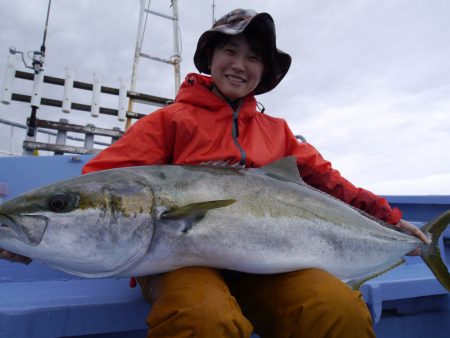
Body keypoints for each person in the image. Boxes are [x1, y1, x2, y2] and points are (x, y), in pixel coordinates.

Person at [1, 8, 428, 338]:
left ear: (265, 73)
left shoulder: (279, 134)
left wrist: (392, 222)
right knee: (200, 318)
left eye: (254, 58)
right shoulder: (170, 122)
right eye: (230, 51)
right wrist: (33, 239)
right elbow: (101, 183)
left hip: (271, 266)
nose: (240, 64)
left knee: (335, 310)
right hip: (178, 267)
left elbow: (332, 183)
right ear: (211, 57)